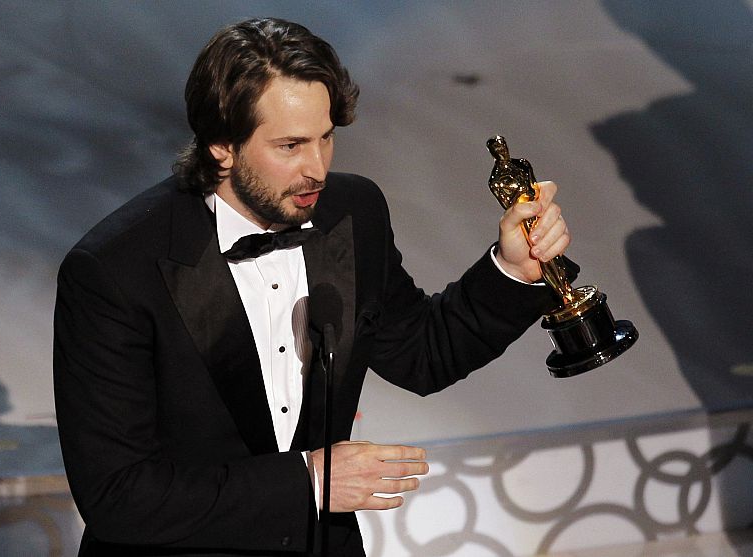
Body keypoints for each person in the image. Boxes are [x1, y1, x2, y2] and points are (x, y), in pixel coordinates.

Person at [53, 17, 572, 557]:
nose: (317, 169)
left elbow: (421, 353)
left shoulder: (352, 212)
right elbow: (118, 495)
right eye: (290, 146)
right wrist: (307, 482)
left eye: (326, 138)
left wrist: (512, 271)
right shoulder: (113, 270)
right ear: (221, 146)